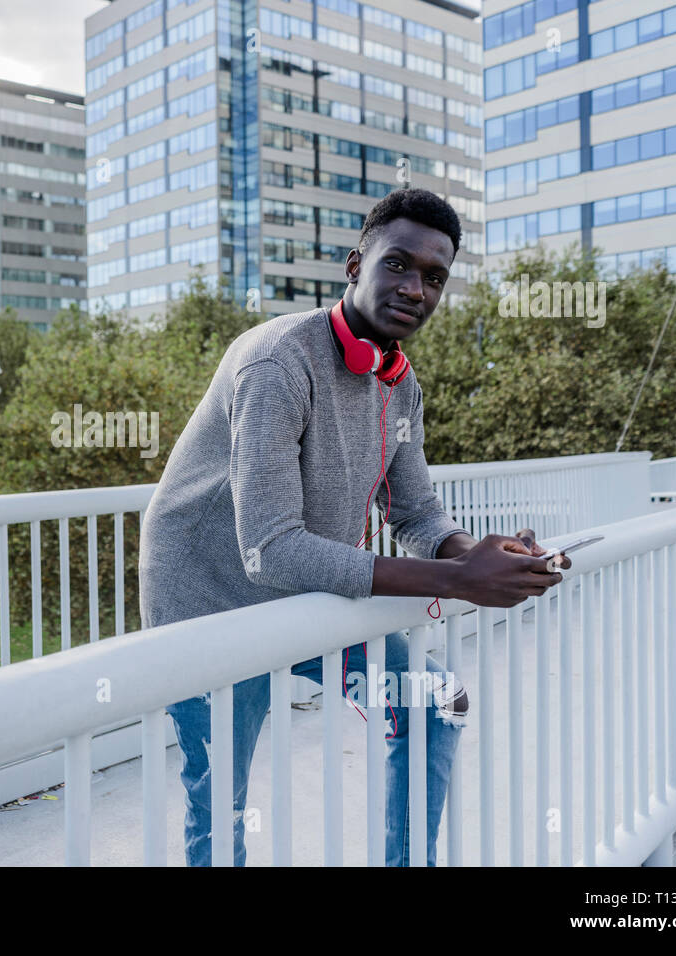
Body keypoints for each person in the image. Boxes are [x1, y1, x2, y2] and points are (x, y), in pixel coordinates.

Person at [139, 188, 572, 866]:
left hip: (311, 597)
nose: (415, 288)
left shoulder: (400, 384)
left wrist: (482, 552)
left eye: (434, 277)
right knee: (220, 802)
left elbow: (417, 514)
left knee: (436, 706)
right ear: (354, 264)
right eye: (398, 264)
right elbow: (270, 549)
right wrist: (460, 578)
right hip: (212, 603)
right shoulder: (275, 362)